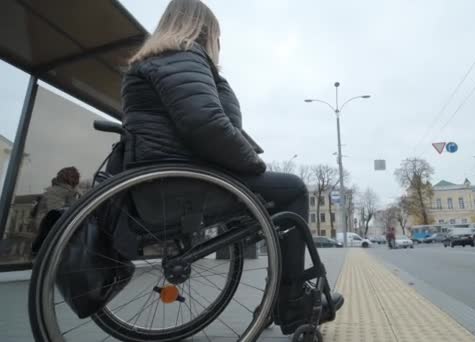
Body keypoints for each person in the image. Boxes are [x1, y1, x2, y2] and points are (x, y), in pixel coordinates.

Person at [121, 0, 343, 333]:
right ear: (203, 29)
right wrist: (252, 164)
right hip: (186, 184)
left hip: (169, 180)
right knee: (293, 190)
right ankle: (292, 301)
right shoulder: (182, 54)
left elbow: (196, 122)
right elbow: (205, 124)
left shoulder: (157, 60)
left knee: (273, 207)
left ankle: (280, 294)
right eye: (217, 35)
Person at [31, 167, 81, 255]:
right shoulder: (55, 192)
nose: (75, 179)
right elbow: (55, 214)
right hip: (49, 233)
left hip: (59, 233)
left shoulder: (72, 192)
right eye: (73, 177)